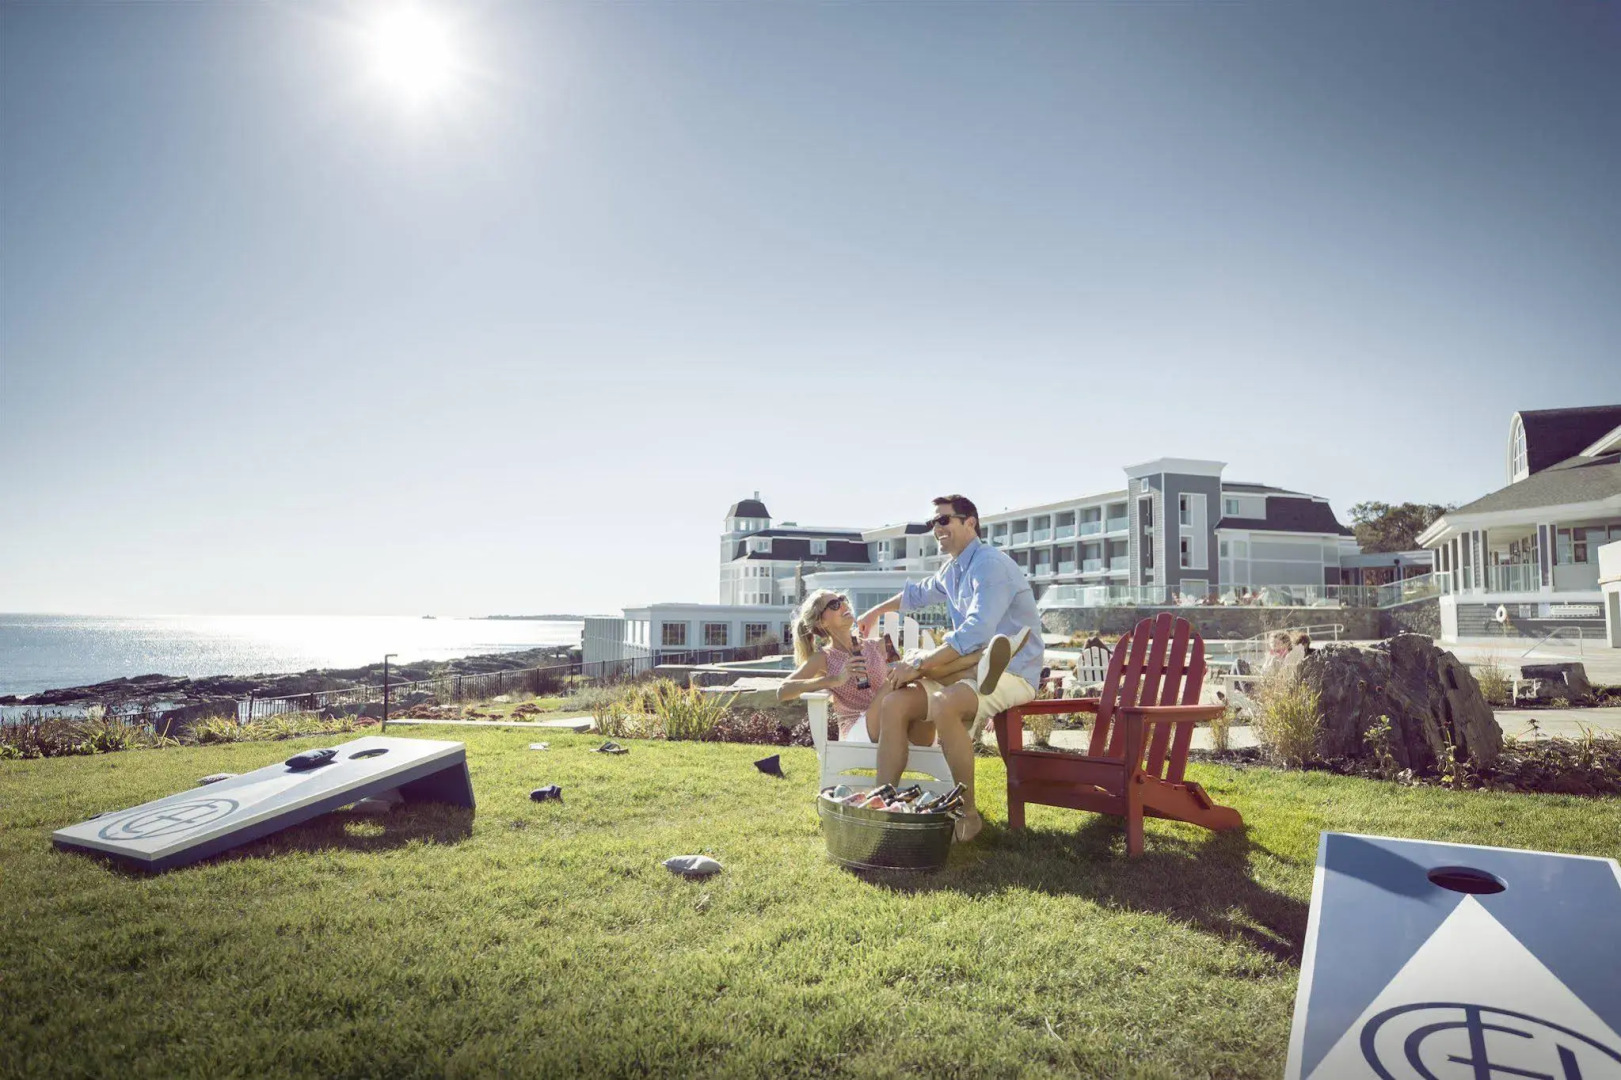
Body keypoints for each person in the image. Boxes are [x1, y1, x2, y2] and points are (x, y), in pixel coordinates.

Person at [856, 494, 1042, 843]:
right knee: (896, 703)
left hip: (1014, 670)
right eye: (933, 523)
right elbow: (917, 594)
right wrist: (874, 614)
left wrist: (921, 665)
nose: (936, 528)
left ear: (970, 522)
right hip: (969, 666)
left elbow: (977, 629)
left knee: (944, 700)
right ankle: (885, 805)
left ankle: (968, 816)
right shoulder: (953, 568)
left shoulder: (990, 564)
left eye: (944, 520)